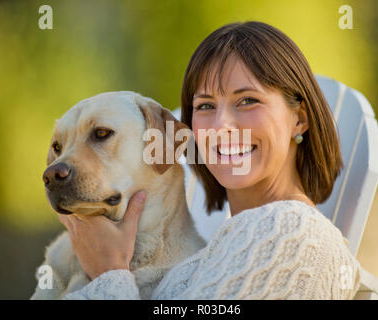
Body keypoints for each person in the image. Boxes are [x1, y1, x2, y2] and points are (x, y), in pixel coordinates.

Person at [58, 21, 361, 300]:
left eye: (247, 100)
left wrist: (108, 274)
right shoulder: (209, 254)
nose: (220, 127)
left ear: (300, 119)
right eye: (205, 105)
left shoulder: (291, 232)